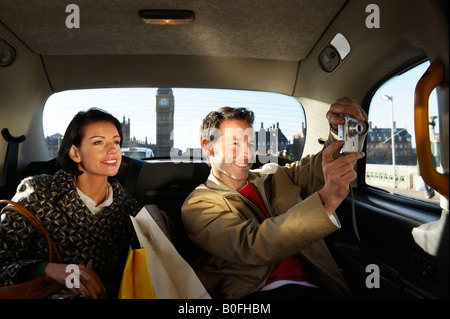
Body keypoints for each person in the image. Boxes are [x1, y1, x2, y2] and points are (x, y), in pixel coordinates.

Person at [181, 97, 368, 299]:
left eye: (251, 144)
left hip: (317, 285)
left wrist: (341, 130)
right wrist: (325, 202)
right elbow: (252, 246)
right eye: (235, 143)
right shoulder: (198, 204)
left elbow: (320, 168)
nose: (247, 154)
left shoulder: (274, 175)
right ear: (208, 147)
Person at [0, 108, 140, 298]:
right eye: (99, 142)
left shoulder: (130, 209)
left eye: (116, 141)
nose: (112, 150)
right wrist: (48, 269)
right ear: (75, 153)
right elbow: (3, 263)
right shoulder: (38, 192)